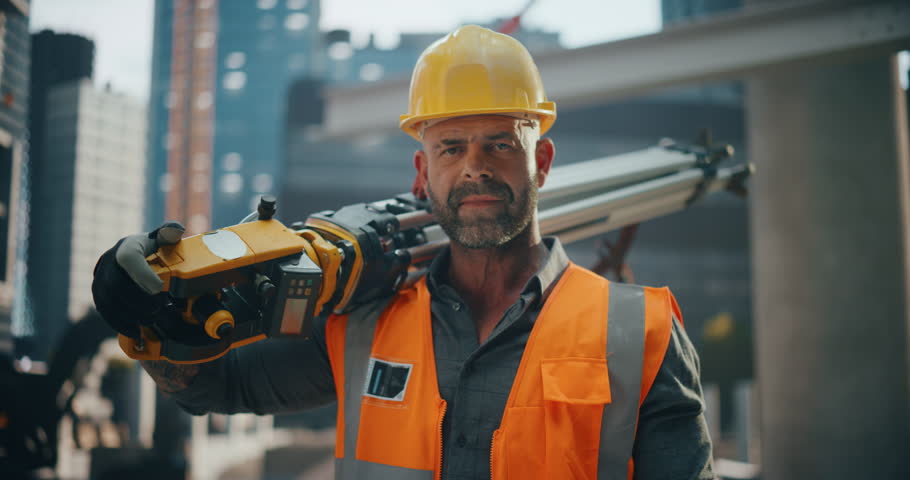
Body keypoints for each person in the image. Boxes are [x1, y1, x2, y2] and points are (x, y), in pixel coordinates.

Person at [93, 25, 715, 480]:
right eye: (451, 148)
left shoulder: (640, 333)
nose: (475, 168)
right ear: (422, 173)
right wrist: (156, 331)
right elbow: (216, 389)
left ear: (542, 161)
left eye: (500, 143)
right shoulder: (364, 325)